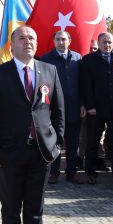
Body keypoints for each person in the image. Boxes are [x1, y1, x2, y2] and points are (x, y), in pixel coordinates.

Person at [0, 26, 64, 224]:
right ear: (12, 45)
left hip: (41, 150)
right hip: (10, 150)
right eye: (22, 38)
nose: (27, 41)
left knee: (35, 204)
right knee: (11, 205)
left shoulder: (49, 70)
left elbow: (59, 110)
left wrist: (57, 142)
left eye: (32, 38)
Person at [80, 32, 113, 185]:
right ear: (98, 43)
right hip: (96, 109)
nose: (107, 45)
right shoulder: (88, 60)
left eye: (110, 42)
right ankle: (90, 172)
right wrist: (90, 106)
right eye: (104, 42)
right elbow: (85, 86)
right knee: (93, 142)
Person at [41, 31, 84, 184]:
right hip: (54, 110)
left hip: (74, 108)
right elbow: (43, 85)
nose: (61, 42)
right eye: (58, 39)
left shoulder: (78, 58)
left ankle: (71, 172)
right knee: (55, 141)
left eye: (64, 39)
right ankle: (54, 172)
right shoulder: (46, 59)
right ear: (53, 41)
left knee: (73, 143)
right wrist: (46, 107)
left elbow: (83, 84)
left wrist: (82, 104)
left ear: (70, 41)